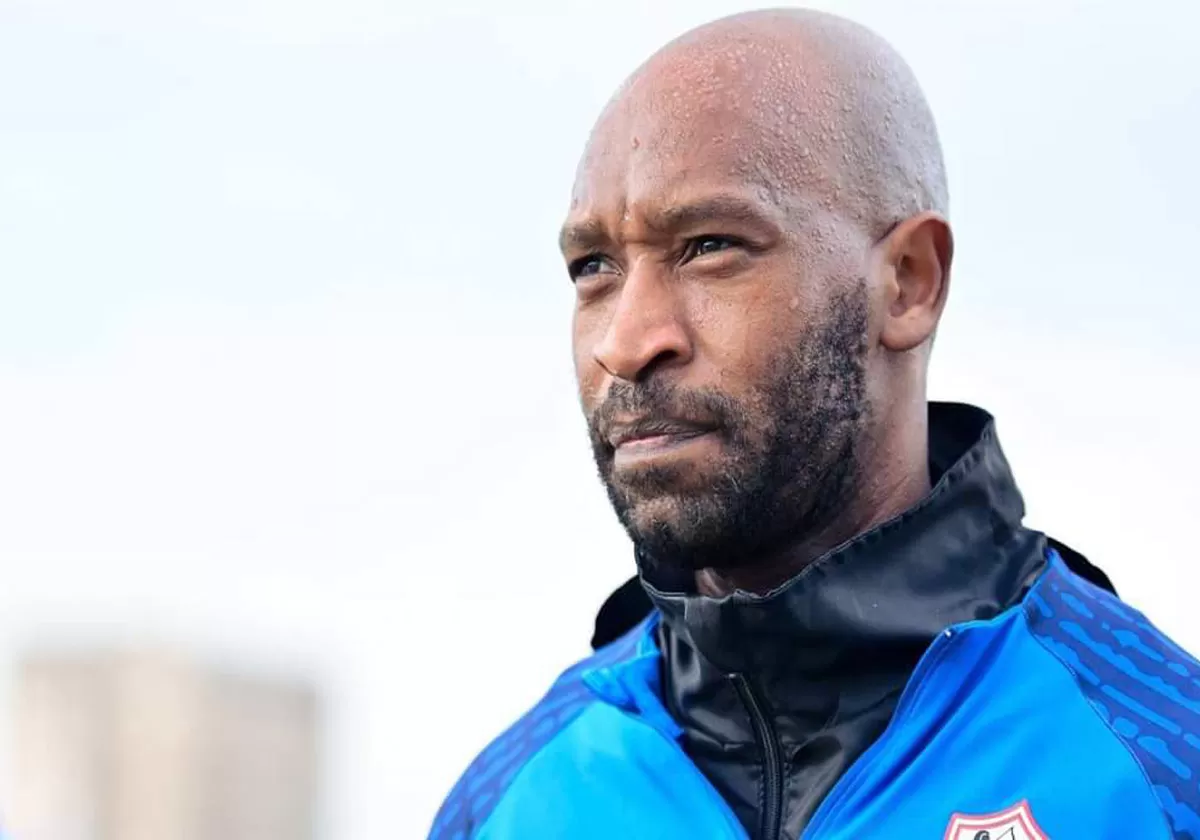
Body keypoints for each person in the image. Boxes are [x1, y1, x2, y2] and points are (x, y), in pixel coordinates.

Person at [429, 9, 1200, 839]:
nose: (626, 341)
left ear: (907, 282)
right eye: (593, 267)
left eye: (709, 246)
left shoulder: (1163, 768)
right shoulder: (508, 806)